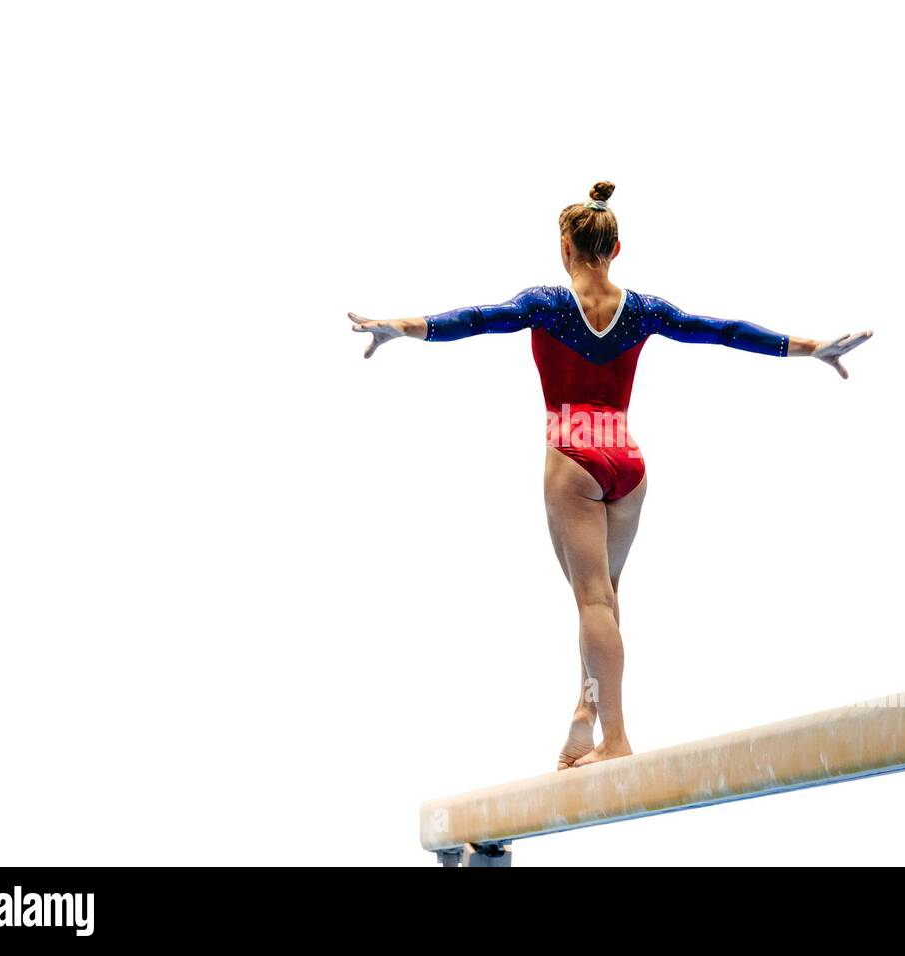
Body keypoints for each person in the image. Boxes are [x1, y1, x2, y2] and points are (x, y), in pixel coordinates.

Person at [348, 181, 871, 770]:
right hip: (627, 459)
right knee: (604, 598)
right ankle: (585, 709)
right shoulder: (644, 310)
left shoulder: (544, 303)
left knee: (592, 599)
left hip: (572, 453)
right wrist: (810, 348)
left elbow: (475, 319)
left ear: (565, 247)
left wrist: (401, 327)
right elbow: (722, 329)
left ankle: (615, 738)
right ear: (616, 248)